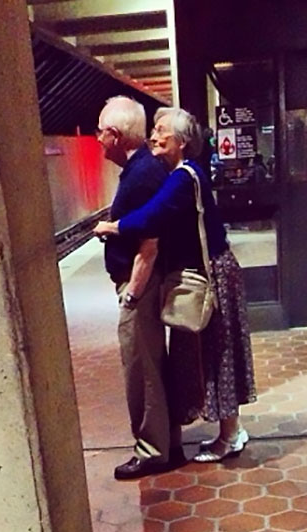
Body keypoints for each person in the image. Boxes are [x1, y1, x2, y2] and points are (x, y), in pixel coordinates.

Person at [94, 107, 257, 462]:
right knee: (214, 353)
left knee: (219, 354)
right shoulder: (179, 173)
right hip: (215, 270)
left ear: (181, 141)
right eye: (154, 129)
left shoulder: (184, 177)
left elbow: (151, 216)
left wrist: (113, 227)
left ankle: (230, 436)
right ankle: (230, 430)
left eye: (161, 130)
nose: (153, 135)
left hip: (214, 274)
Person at [96, 96, 183, 480]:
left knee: (141, 370)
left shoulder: (143, 174)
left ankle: (152, 452)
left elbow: (150, 244)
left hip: (141, 287)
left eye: (100, 132)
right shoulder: (142, 169)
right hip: (146, 284)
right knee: (152, 366)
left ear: (115, 135)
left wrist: (131, 294)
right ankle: (167, 442)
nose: (98, 139)